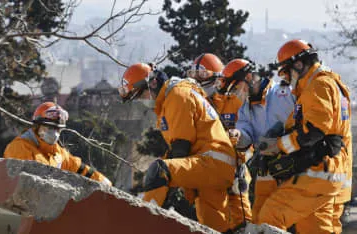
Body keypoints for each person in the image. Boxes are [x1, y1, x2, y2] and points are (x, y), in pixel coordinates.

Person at [118, 62, 236, 233]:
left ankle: (140, 223)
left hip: (211, 162)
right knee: (215, 226)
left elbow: (181, 147)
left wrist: (163, 186)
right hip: (214, 164)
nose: (141, 101)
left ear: (152, 83)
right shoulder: (172, 98)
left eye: (140, 95)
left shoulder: (177, 95)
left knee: (159, 170)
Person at [253, 39, 352, 234]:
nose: (287, 79)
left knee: (270, 217)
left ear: (298, 64)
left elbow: (313, 131)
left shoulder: (318, 85)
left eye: (287, 72)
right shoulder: (331, 84)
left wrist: (277, 147)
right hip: (331, 173)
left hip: (318, 172)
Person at [224, 59, 295, 228]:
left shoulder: (284, 93)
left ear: (249, 77)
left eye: (236, 87)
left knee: (295, 220)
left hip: (294, 164)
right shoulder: (244, 109)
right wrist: (237, 135)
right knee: (259, 218)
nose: (235, 93)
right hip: (266, 167)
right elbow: (246, 135)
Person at [187, 53, 252, 232]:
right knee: (211, 224)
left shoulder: (234, 102)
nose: (198, 80)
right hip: (207, 173)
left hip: (235, 171)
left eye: (203, 75)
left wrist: (241, 160)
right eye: (195, 75)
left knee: (243, 223)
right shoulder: (192, 106)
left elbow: (248, 136)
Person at [4, 102, 112, 186]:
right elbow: (22, 183)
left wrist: (102, 181)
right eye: (50, 128)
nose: (54, 133)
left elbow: (80, 168)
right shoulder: (20, 147)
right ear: (38, 126)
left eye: (57, 129)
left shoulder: (58, 153)